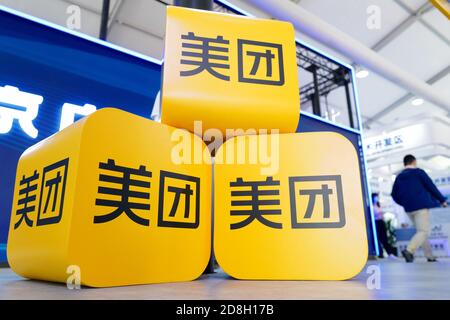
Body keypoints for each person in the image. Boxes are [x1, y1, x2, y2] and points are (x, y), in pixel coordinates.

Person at [391, 154, 448, 263]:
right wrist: (442, 200)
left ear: (404, 163)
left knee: (421, 232)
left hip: (408, 209)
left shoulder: (399, 177)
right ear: (414, 161)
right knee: (423, 231)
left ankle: (429, 256)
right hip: (421, 207)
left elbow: (394, 195)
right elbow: (431, 187)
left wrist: (403, 203)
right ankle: (409, 250)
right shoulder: (419, 173)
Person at [372, 193, 397, 259]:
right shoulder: (371, 206)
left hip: (381, 222)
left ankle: (390, 253)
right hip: (375, 223)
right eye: (375, 197)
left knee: (384, 238)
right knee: (377, 238)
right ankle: (380, 254)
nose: (376, 198)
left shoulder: (378, 205)